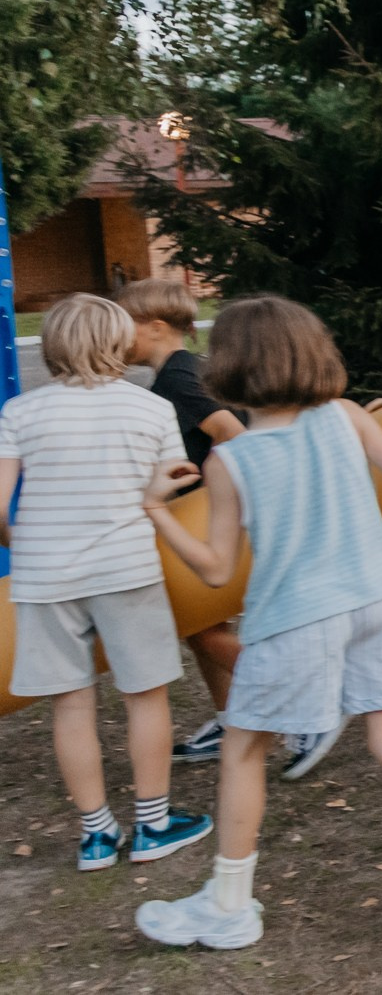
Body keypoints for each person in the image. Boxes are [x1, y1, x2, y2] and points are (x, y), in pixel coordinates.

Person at [134, 297, 382, 948]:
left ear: (225, 368)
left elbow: (213, 569)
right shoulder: (346, 416)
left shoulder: (229, 461)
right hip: (376, 598)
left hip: (295, 616)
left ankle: (229, 906)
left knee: (244, 747)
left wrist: (156, 510)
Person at [0, 294, 214, 871]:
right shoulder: (149, 410)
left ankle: (96, 836)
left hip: (45, 574)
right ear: (120, 341)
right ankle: (153, 824)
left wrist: (16, 542)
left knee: (70, 703)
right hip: (125, 566)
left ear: (53, 345)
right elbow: (172, 480)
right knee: (145, 694)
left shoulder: (20, 412)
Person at [115, 280, 344, 779]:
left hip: (210, 521)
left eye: (122, 321)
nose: (114, 331)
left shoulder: (179, 379)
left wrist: (217, 490)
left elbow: (234, 435)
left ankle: (306, 703)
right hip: (204, 517)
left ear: (155, 328)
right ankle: (232, 720)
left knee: (200, 629)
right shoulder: (178, 374)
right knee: (202, 631)